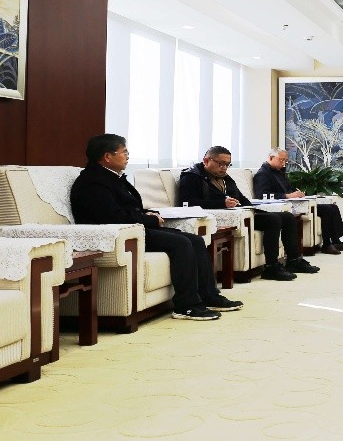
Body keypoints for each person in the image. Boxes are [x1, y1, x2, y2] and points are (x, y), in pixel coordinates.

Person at [70, 134, 242, 322]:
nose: (128, 156)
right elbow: (112, 216)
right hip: (119, 235)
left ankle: (209, 296)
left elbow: (128, 208)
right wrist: (149, 219)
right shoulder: (93, 182)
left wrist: (149, 213)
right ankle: (187, 305)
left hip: (133, 229)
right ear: (107, 156)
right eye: (124, 152)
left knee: (195, 240)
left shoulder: (111, 177)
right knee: (182, 243)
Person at [179, 146, 319, 280]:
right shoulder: (191, 177)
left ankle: (294, 260)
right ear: (206, 160)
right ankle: (271, 267)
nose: (224, 167)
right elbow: (187, 203)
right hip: (219, 217)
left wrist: (252, 210)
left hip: (241, 214)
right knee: (273, 220)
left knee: (287, 217)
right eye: (221, 163)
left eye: (228, 164)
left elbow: (241, 198)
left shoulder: (225, 178)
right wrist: (221, 203)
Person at [253, 148, 343, 255]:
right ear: (271, 158)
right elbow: (262, 195)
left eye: (285, 161)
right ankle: (326, 245)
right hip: (284, 205)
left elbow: (289, 188)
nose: (283, 164)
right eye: (281, 160)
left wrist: (298, 193)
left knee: (332, 207)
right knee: (326, 209)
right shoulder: (263, 174)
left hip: (294, 202)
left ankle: (336, 241)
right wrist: (287, 196)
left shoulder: (279, 172)